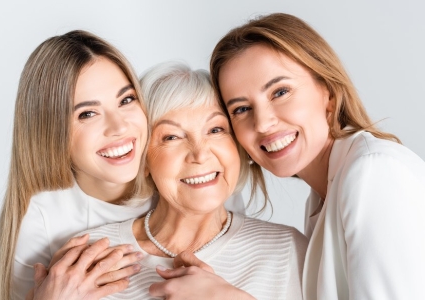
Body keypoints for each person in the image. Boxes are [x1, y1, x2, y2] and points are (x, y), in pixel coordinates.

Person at [151, 13, 425, 299]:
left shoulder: (374, 172)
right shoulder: (324, 196)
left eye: (280, 92)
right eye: (242, 109)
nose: (263, 123)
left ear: (328, 93)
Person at [0, 30, 247, 300]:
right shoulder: (43, 221)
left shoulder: (191, 177)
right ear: (51, 133)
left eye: (126, 100)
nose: (119, 127)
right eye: (87, 113)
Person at [76, 62, 308, 299]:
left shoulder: (288, 250)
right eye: (172, 137)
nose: (200, 154)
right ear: (143, 159)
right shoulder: (90, 257)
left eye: (215, 130)